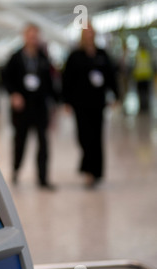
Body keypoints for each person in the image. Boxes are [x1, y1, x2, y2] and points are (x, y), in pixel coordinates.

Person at [62, 23, 119, 188]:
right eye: (86, 32)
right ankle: (88, 168)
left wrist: (115, 95)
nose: (89, 35)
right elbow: (68, 79)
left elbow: (111, 76)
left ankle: (94, 172)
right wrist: (66, 101)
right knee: (84, 137)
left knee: (97, 137)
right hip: (80, 104)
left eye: (91, 32)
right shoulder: (75, 56)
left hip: (98, 103)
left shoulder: (101, 54)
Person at [2, 23, 58, 190]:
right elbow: (6, 78)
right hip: (22, 108)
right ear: (25, 36)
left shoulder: (43, 57)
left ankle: (43, 178)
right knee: (20, 141)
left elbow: (49, 82)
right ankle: (16, 169)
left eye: (36, 36)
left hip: (39, 107)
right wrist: (13, 94)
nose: (33, 39)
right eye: (30, 35)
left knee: (43, 143)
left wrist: (56, 101)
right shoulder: (16, 57)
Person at [133, 42, 154, 113]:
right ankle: (145, 107)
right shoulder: (147, 54)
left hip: (140, 76)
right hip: (146, 76)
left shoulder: (137, 54)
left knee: (141, 92)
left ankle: (143, 107)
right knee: (145, 92)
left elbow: (135, 65)